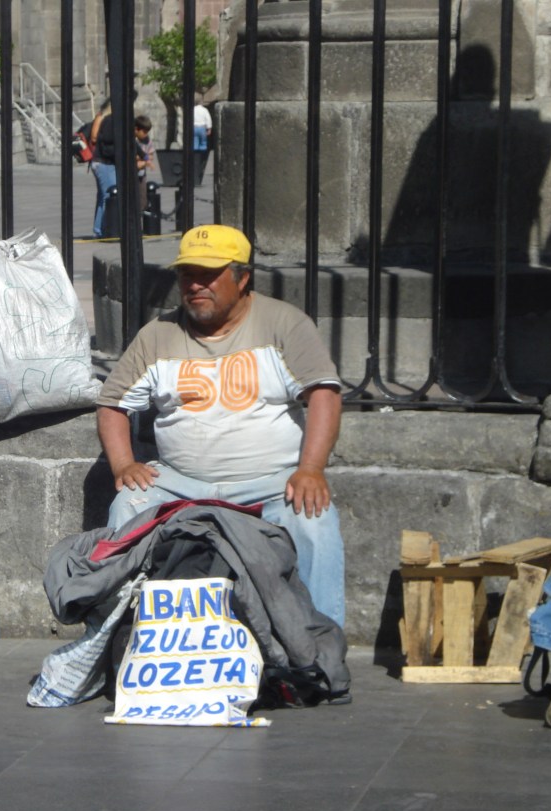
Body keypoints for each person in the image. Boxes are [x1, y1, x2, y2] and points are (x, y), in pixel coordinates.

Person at [95, 224, 346, 625]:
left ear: (242, 277)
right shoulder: (158, 334)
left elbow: (324, 394)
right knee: (128, 506)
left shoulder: (285, 324)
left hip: (269, 481)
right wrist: (124, 464)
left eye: (208, 275)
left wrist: (311, 469)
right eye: (187, 275)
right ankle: (116, 636)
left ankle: (320, 652)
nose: (196, 285)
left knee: (313, 520)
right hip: (181, 479)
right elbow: (112, 403)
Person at [89, 99, 115, 238]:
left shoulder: (105, 118)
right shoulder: (103, 118)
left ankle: (98, 229)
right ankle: (103, 228)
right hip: (102, 161)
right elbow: (94, 137)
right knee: (108, 195)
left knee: (103, 196)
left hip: (101, 161)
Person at [134, 115, 156, 211]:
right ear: (137, 129)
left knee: (143, 199)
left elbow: (151, 156)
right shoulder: (133, 140)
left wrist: (144, 160)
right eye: (144, 132)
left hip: (142, 174)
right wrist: (142, 158)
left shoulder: (147, 141)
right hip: (134, 172)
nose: (146, 135)